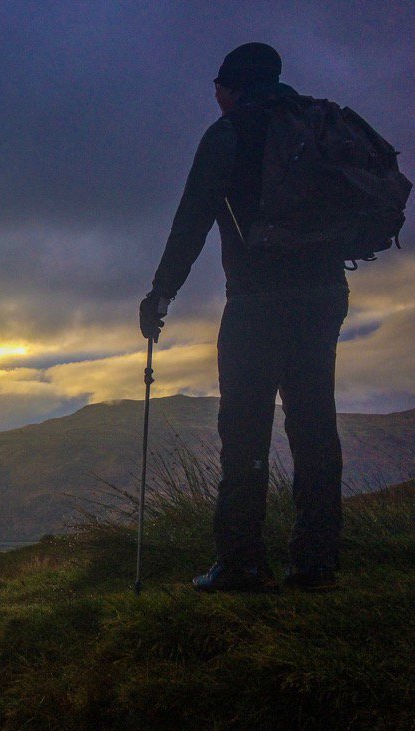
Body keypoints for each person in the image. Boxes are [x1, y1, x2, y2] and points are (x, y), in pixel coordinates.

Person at [139, 42, 350, 593]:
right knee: (314, 424)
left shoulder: (229, 135)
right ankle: (316, 561)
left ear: (230, 89)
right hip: (326, 294)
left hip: (257, 301)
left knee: (245, 431)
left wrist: (160, 295)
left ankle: (240, 563)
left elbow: (192, 222)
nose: (214, 97)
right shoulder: (315, 124)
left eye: (217, 88)